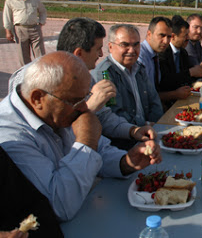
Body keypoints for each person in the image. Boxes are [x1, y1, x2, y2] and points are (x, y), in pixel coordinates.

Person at [0, 52, 162, 221]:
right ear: (38, 98)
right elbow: (59, 205)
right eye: (75, 101)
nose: (84, 107)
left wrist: (126, 162)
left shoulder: (59, 110)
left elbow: (100, 152)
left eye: (86, 97)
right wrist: (87, 141)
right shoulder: (10, 138)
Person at [8, 17, 157, 148]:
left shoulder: (84, 77)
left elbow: (104, 117)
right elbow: (57, 128)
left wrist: (133, 131)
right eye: (98, 49)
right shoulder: (31, 77)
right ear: (79, 53)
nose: (100, 55)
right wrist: (89, 106)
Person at [92, 24, 163, 126]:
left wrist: (156, 125)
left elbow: (154, 100)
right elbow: (114, 114)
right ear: (111, 47)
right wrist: (143, 126)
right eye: (125, 45)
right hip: (125, 136)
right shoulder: (104, 74)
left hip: (149, 130)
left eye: (136, 45)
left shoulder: (139, 68)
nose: (132, 50)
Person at [2, 0, 47, 66]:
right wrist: (8, 31)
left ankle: (41, 72)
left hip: (35, 29)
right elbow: (7, 17)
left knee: (40, 54)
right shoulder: (10, 1)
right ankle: (26, 74)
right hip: (20, 30)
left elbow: (43, 11)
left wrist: (41, 22)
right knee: (23, 55)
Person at [157, 15, 193, 109]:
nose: (188, 39)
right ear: (173, 36)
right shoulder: (162, 54)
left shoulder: (183, 53)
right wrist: (190, 72)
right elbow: (166, 81)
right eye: (185, 36)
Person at [138, 16, 173, 86]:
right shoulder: (140, 57)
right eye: (161, 35)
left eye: (169, 37)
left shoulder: (154, 56)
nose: (166, 41)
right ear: (149, 34)